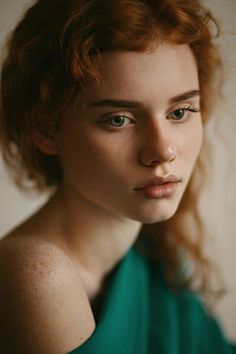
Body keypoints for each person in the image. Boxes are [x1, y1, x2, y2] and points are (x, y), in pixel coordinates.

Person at [0, 0, 235, 353]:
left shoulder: (158, 249)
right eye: (118, 119)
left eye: (180, 111)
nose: (163, 150)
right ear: (46, 131)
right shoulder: (37, 277)